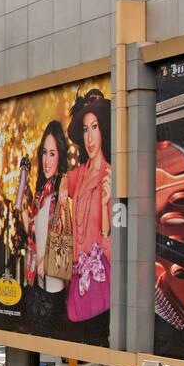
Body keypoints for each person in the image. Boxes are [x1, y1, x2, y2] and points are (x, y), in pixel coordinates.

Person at [60, 89, 112, 332]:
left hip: (103, 292)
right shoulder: (79, 175)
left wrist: (104, 205)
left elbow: (113, 246)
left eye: (95, 127)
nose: (90, 137)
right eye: (85, 129)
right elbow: (57, 182)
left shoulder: (110, 174)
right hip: (76, 290)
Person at [16, 119, 71, 328]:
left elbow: (62, 232)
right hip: (38, 280)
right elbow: (31, 230)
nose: (47, 160)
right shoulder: (40, 193)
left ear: (61, 156)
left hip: (54, 280)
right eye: (44, 153)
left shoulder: (61, 187)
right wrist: (21, 196)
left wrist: (45, 260)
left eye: (53, 154)